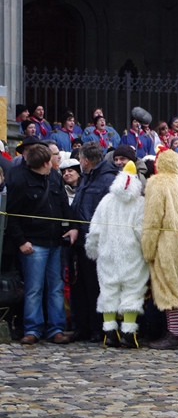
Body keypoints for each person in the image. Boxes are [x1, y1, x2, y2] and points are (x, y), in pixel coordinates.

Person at [6, 143, 78, 345]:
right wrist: (21, 241)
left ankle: (56, 328)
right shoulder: (20, 181)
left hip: (55, 241)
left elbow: (63, 203)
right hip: (33, 242)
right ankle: (32, 328)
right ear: (45, 163)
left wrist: (72, 226)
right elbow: (12, 215)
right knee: (34, 288)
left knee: (55, 287)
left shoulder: (54, 177)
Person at [84, 161, 148, 348]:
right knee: (133, 291)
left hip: (107, 253)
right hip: (132, 254)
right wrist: (147, 252)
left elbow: (94, 229)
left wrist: (93, 250)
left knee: (108, 291)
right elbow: (141, 232)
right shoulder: (140, 203)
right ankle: (129, 333)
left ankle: (109, 332)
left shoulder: (106, 201)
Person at [142, 149, 178, 350]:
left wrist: (147, 247)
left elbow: (153, 218)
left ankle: (174, 333)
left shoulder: (157, 183)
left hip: (164, 240)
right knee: (176, 282)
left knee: (167, 286)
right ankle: (172, 331)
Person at [70, 142, 119, 341]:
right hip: (82, 240)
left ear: (86, 161)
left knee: (96, 287)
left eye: (81, 160)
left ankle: (98, 329)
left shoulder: (107, 180)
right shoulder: (88, 178)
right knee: (81, 286)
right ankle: (84, 327)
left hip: (99, 242)